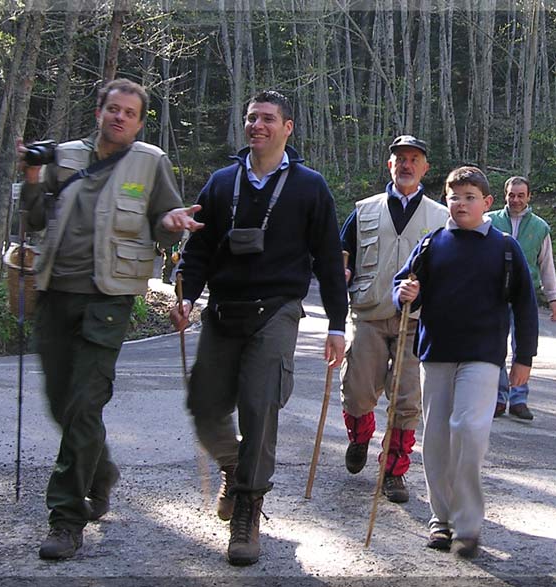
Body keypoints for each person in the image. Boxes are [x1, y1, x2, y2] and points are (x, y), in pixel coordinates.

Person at [17, 78, 202, 560]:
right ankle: (100, 472)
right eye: (113, 109)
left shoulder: (150, 162)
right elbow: (32, 219)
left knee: (84, 405)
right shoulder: (63, 156)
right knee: (60, 404)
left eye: (129, 113)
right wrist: (32, 174)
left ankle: (65, 519)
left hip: (109, 299)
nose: (120, 117)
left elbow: (165, 222)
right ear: (99, 111)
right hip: (55, 294)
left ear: (139, 123)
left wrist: (172, 223)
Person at [169, 90, 347, 566]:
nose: (257, 125)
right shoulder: (221, 182)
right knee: (204, 407)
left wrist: (337, 324)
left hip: (277, 311)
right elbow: (198, 250)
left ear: (288, 127)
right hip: (223, 309)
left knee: (259, 407)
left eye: (268, 118)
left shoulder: (310, 187)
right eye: (251, 117)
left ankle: (248, 508)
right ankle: (234, 465)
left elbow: (329, 260)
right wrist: (186, 296)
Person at [394, 166, 538, 558]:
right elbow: (404, 286)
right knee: (437, 438)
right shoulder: (432, 244)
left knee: (470, 429)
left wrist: (523, 358)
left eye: (470, 197)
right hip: (436, 353)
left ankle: (468, 524)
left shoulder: (505, 249)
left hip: (483, 356)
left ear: (487, 203)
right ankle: (441, 519)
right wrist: (404, 293)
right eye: (454, 197)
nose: (461, 204)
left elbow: (525, 306)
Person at [339, 135, 448, 503]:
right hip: (369, 314)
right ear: (390, 165)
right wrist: (341, 272)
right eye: (400, 159)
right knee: (357, 392)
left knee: (407, 400)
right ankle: (360, 437)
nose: (406, 165)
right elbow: (343, 253)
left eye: (414, 159)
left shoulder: (441, 216)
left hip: (415, 321)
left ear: (425, 168)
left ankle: (394, 470)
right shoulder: (364, 210)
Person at [486, 176, 556, 420]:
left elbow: (546, 264)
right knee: (495, 345)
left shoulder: (540, 227)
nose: (516, 200)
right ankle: (498, 397)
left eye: (520, 195)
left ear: (529, 196)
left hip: (524, 296)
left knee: (523, 346)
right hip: (494, 294)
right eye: (511, 195)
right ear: (505, 195)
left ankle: (519, 399)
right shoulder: (490, 221)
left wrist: (553, 297)